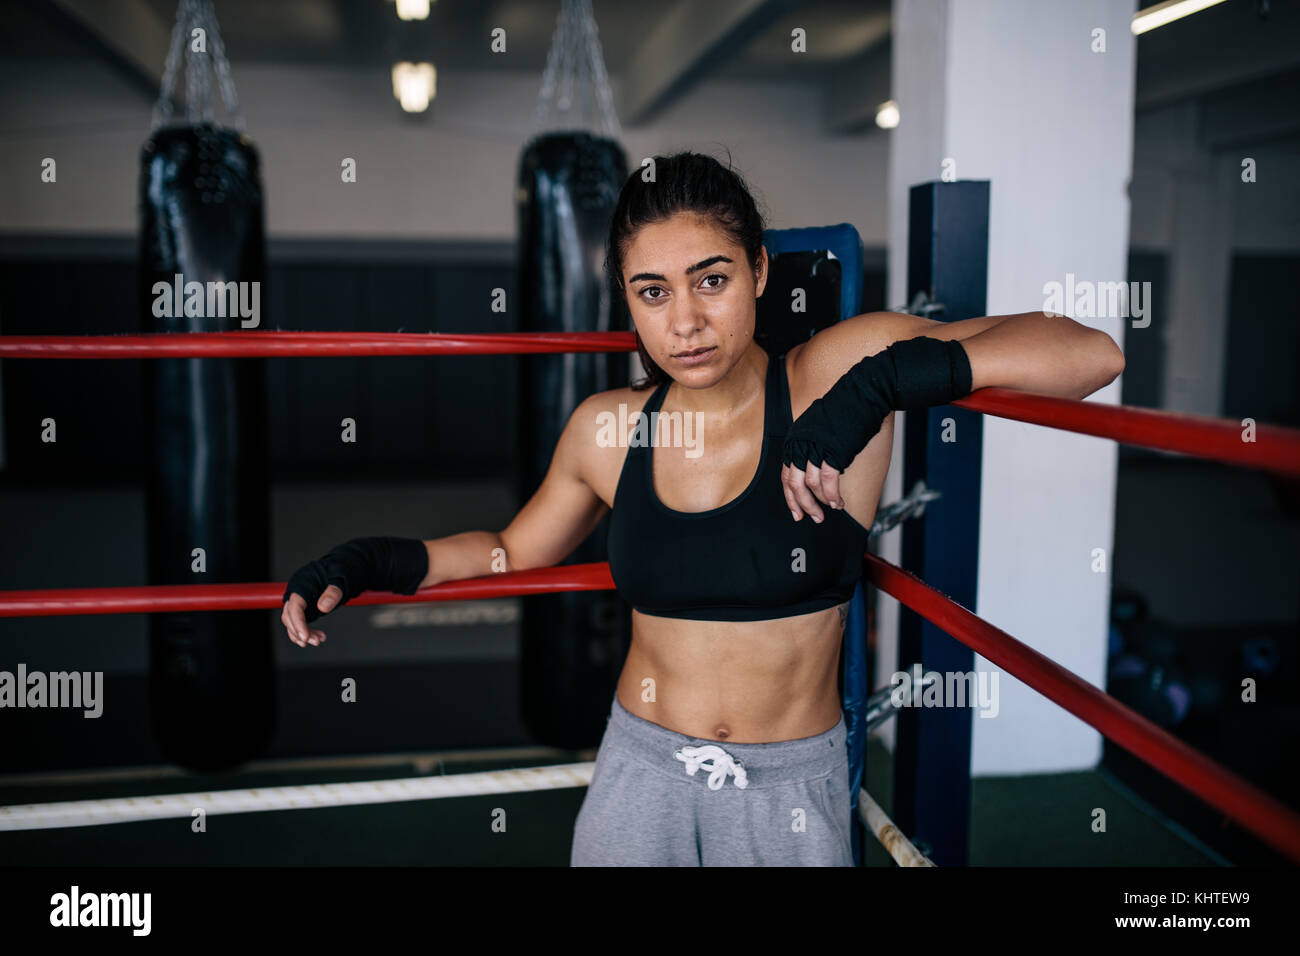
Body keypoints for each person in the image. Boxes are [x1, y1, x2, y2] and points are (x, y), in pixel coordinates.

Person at [280, 152, 1125, 866]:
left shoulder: (833, 373)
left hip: (790, 788)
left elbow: (1089, 352)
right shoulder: (607, 431)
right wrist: (367, 562)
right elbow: (510, 549)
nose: (684, 322)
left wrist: (883, 383)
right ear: (627, 301)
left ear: (759, 270)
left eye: (710, 280)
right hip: (640, 774)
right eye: (652, 293)